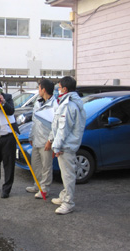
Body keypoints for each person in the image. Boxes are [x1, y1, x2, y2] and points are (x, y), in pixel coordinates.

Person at [50, 76, 86, 215]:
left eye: (59, 88)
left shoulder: (68, 105)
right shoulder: (70, 102)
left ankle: (68, 203)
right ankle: (64, 196)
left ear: (64, 89)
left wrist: (57, 146)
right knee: (66, 174)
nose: (57, 90)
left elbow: (63, 129)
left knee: (68, 175)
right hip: (67, 145)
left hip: (66, 146)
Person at [26, 79, 58, 198]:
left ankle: (44, 189)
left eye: (39, 88)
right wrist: (31, 135)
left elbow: (55, 125)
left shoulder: (55, 105)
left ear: (43, 89)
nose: (38, 90)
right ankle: (37, 185)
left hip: (46, 141)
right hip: (36, 139)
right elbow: (34, 121)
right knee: (36, 164)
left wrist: (50, 141)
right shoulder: (38, 102)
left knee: (46, 166)